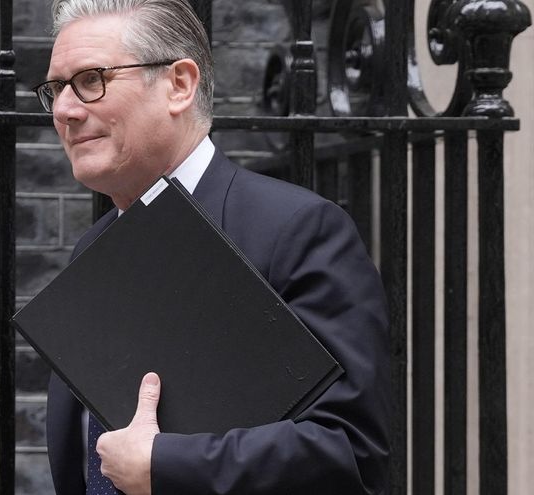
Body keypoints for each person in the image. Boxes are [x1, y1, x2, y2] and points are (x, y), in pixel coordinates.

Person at [33, 1, 390, 493]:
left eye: (91, 80)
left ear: (179, 84)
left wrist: (166, 464)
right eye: (55, 88)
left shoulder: (297, 230)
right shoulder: (93, 250)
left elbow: (348, 451)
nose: (65, 110)